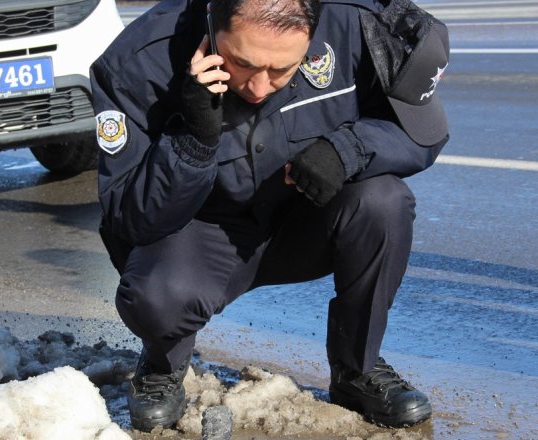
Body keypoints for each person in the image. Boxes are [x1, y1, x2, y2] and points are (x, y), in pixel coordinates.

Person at [89, 0, 450, 432]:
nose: (259, 87)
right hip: (203, 234)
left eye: (282, 70)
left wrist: (349, 149)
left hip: (306, 220)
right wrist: (194, 142)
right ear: (211, 20)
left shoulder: (357, 22)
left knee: (384, 201)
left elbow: (421, 131)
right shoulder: (136, 62)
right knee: (156, 298)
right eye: (242, 63)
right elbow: (129, 218)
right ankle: (163, 364)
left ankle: (358, 370)